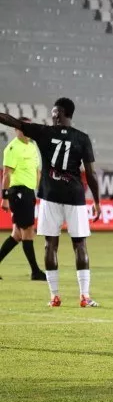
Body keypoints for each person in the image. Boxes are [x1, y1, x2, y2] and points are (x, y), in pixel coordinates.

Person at [0, 99, 101, 307]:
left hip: (50, 195)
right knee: (79, 244)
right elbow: (90, 174)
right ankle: (84, 296)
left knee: (50, 244)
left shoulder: (43, 132)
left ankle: (55, 296)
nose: (53, 115)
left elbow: (12, 121)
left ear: (63, 113)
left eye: (55, 112)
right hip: (74, 196)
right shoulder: (82, 138)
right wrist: (97, 202)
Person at [0, 117, 47, 280]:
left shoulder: (33, 147)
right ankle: (35, 271)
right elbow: (6, 174)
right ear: (16, 129)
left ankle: (35, 271)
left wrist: (40, 191)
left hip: (29, 193)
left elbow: (37, 171)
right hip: (18, 193)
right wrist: (5, 198)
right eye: (23, 127)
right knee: (28, 232)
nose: (26, 130)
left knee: (17, 235)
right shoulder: (12, 148)